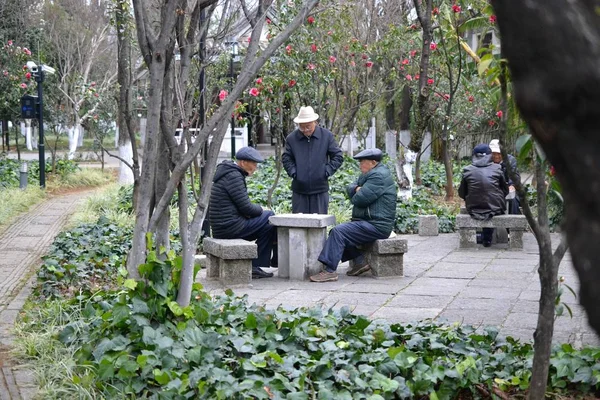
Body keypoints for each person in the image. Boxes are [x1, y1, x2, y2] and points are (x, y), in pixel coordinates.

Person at [309, 148, 397, 282]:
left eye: (363, 162)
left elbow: (359, 200)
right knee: (338, 232)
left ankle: (329, 271)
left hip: (377, 225)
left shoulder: (378, 176)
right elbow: (351, 187)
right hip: (369, 221)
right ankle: (360, 262)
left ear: (373, 162)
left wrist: (355, 190)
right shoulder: (372, 174)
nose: (360, 165)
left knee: (339, 232)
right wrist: (356, 188)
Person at [209, 147, 276, 279]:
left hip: (224, 226)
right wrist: (261, 209)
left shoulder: (228, 172)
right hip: (229, 228)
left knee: (268, 226)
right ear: (243, 163)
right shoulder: (233, 176)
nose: (255, 167)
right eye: (254, 164)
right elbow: (247, 208)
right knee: (269, 216)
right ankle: (257, 265)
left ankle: (256, 266)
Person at [282, 106, 344, 214]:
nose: (305, 130)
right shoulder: (291, 139)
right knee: (299, 225)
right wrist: (294, 172)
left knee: (318, 225)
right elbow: (286, 158)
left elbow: (338, 156)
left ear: (315, 122)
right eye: (302, 127)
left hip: (320, 189)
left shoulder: (327, 136)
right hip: (299, 190)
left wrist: (326, 171)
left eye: (308, 126)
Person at [459, 144, 509, 247]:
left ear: (474, 156)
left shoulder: (467, 170)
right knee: (490, 206)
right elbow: (505, 190)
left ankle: (485, 238)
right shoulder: (497, 168)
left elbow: (462, 193)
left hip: (473, 208)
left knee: (483, 204)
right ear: (490, 155)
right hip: (495, 208)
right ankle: (487, 239)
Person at [489, 139, 521, 214]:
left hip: (507, 189)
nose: (496, 156)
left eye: (499, 153)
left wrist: (512, 185)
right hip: (491, 189)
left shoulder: (511, 160)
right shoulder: (487, 161)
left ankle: (513, 223)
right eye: (493, 153)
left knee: (512, 199)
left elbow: (514, 175)